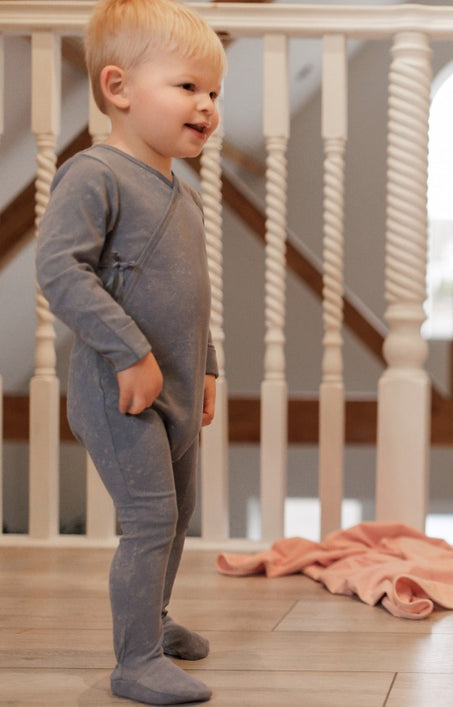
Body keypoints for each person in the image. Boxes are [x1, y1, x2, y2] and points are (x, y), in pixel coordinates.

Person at [35, 0, 226, 703]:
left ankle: (156, 616)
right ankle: (134, 658)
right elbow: (60, 270)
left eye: (214, 93)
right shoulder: (95, 176)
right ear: (119, 89)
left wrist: (207, 367)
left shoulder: (186, 192)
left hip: (174, 381)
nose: (206, 106)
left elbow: (193, 295)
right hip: (119, 387)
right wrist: (129, 351)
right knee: (150, 516)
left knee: (178, 509)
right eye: (187, 87)